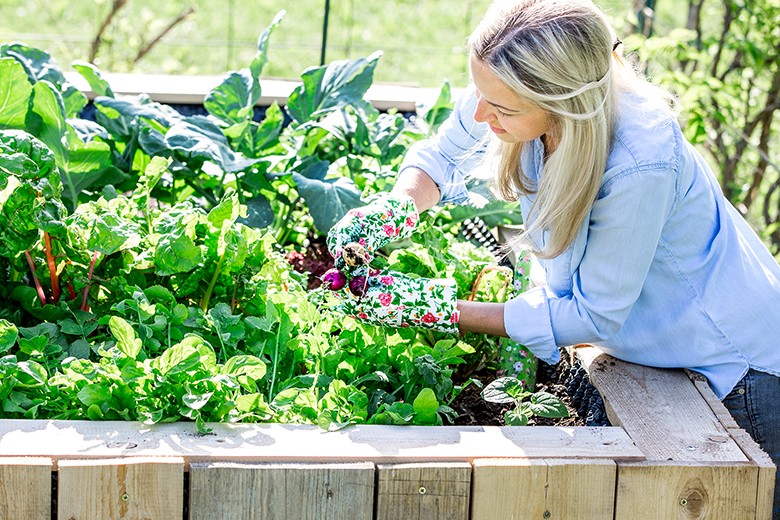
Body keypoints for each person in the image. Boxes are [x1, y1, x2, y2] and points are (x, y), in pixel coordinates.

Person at [326, 0, 780, 514]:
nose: (481, 114)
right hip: (664, 348)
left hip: (736, 369)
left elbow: (594, 315)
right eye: (480, 94)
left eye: (502, 109)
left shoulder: (638, 162)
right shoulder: (509, 88)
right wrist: (394, 208)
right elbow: (444, 155)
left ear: (562, 103)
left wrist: (439, 311)